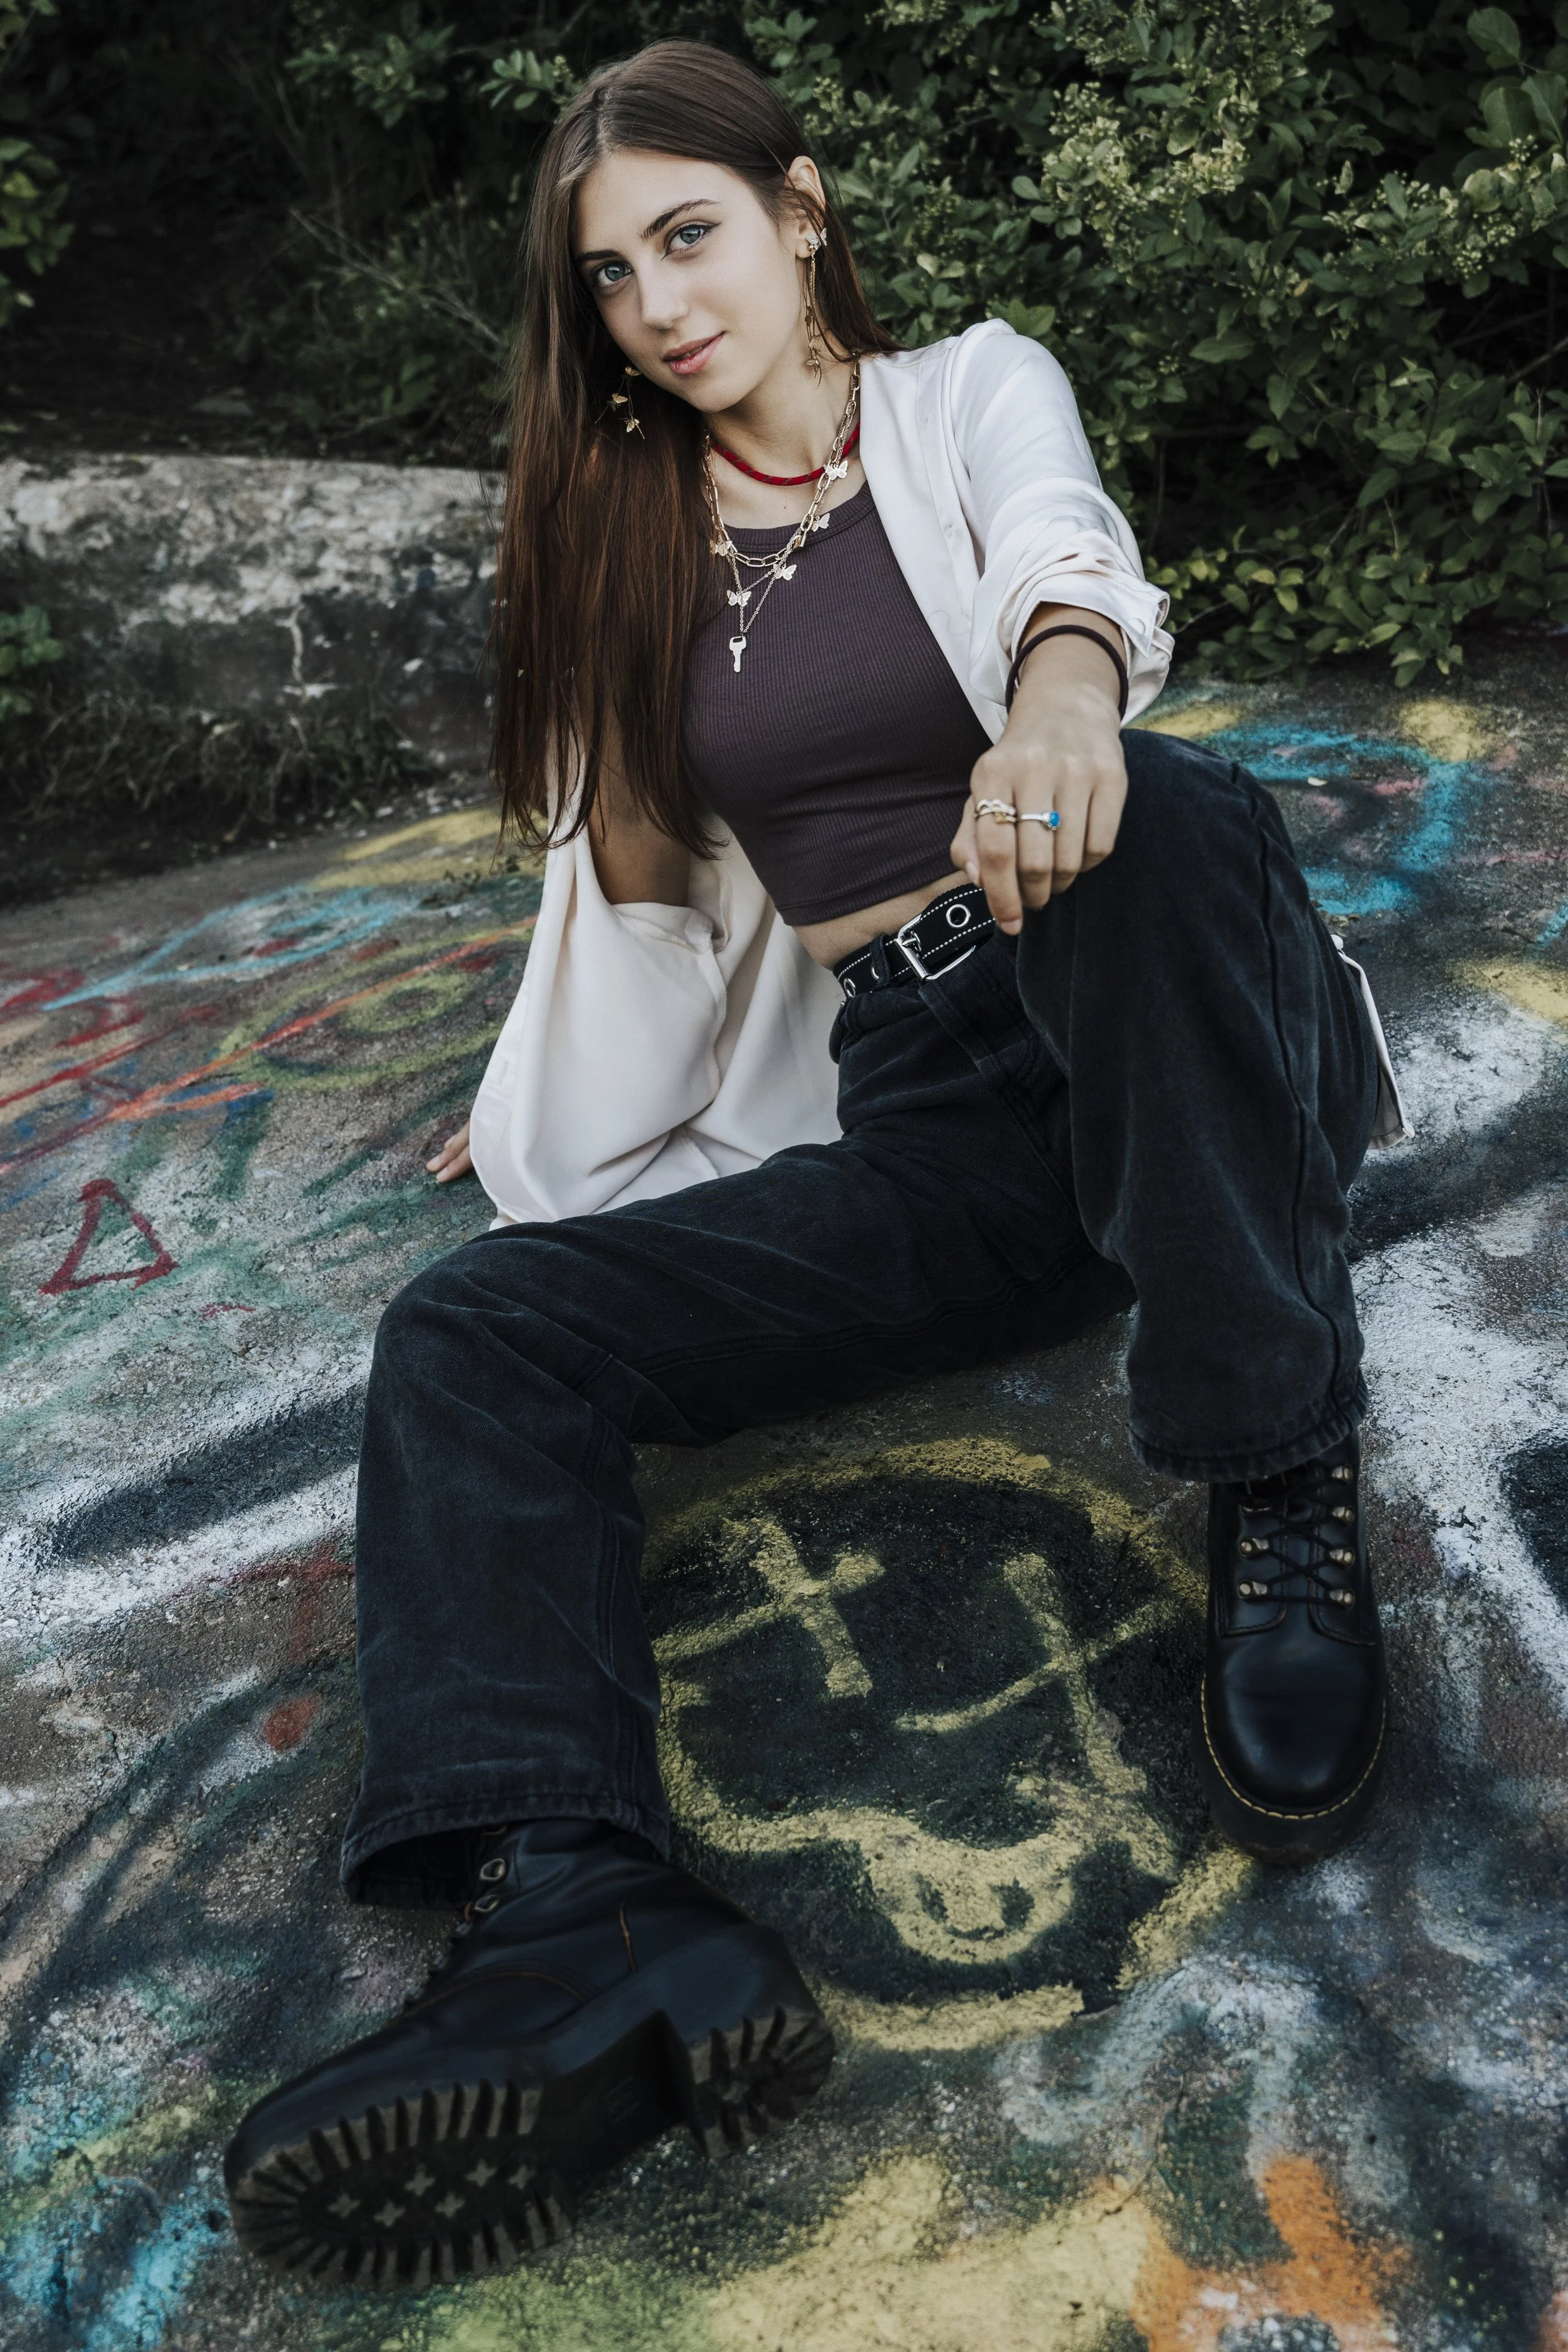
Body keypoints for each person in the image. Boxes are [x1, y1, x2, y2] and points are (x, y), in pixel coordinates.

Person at [224, 39, 1405, 2291]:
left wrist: (1063, 698)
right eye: (609, 279)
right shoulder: (626, 551)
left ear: (798, 213)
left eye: (689, 235)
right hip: (944, 1108)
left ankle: (1277, 1473)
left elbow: (1070, 561)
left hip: (1157, 984)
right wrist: (540, 1118)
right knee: (476, 1333)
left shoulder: (967, 392)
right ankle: (581, 1923)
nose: (659, 305)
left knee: (1162, 817)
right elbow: (646, 906)